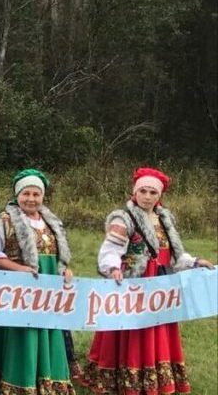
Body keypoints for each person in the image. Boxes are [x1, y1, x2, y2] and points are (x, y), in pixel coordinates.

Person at [82, 167, 214, 395]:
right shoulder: (123, 218)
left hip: (160, 285)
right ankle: (125, 378)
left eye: (153, 192)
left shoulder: (165, 219)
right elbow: (110, 249)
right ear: (135, 192)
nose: (148, 196)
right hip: (135, 282)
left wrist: (194, 262)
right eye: (143, 191)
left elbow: (174, 254)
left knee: (158, 328)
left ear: (159, 195)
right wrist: (114, 268)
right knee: (132, 329)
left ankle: (154, 379)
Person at [0, 169, 75, 394]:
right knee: (20, 336)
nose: (31, 198)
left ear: (43, 196)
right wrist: (19, 269)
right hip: (15, 292)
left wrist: (64, 269)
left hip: (46, 295)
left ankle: (45, 383)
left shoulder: (52, 223)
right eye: (26, 193)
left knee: (45, 331)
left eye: (36, 194)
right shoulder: (3, 221)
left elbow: (59, 255)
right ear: (17, 195)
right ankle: (16, 383)